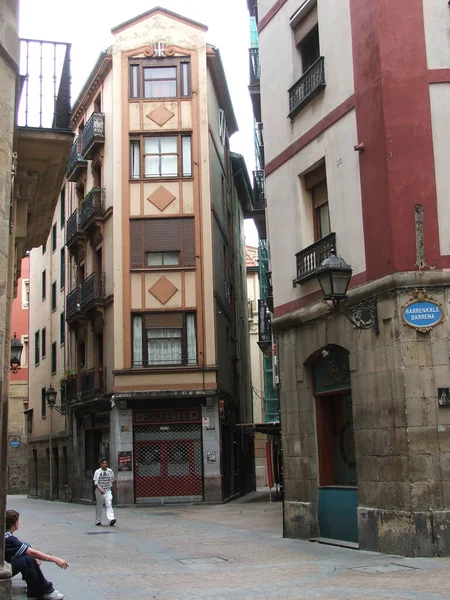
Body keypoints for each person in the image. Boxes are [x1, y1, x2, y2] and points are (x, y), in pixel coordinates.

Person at [5, 509, 68, 600]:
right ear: (15, 524)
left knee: (26, 545)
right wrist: (54, 559)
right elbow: (32, 552)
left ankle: (33, 588)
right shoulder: (9, 539)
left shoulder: (7, 535)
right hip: (4, 566)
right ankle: (46, 590)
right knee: (27, 559)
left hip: (5, 561)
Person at [93, 458, 116, 526]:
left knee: (109, 503)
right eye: (103, 463)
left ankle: (111, 519)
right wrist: (100, 490)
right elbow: (95, 483)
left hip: (107, 490)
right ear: (101, 464)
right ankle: (98, 520)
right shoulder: (97, 472)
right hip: (99, 491)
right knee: (99, 506)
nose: (105, 464)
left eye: (106, 463)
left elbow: (112, 480)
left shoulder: (110, 471)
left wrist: (114, 487)